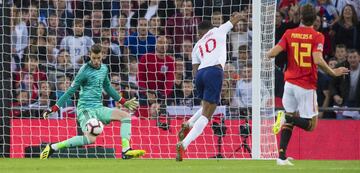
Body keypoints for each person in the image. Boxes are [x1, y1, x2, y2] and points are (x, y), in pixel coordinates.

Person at [266, 4, 349, 166]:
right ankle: (285, 117)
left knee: (290, 121)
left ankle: (281, 157)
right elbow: (317, 60)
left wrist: (265, 56)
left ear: (301, 17)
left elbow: (272, 53)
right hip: (305, 85)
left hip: (289, 84)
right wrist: (333, 72)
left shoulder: (289, 33)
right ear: (315, 18)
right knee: (310, 125)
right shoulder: (317, 36)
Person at [40, 44, 145, 160]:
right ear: (90, 55)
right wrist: (54, 108)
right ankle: (53, 147)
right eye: (93, 58)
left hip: (98, 107)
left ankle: (126, 150)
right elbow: (70, 91)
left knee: (125, 116)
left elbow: (108, 87)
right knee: (91, 139)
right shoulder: (84, 71)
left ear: (103, 56)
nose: (96, 61)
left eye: (98, 58)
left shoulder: (104, 68)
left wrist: (124, 102)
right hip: (85, 109)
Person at [175, 12, 243, 161]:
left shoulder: (196, 46)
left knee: (207, 105)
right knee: (208, 113)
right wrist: (242, 15)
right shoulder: (219, 30)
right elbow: (236, 19)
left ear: (200, 33)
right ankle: (184, 144)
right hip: (214, 71)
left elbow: (194, 70)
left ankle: (189, 123)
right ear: (211, 28)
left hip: (200, 74)